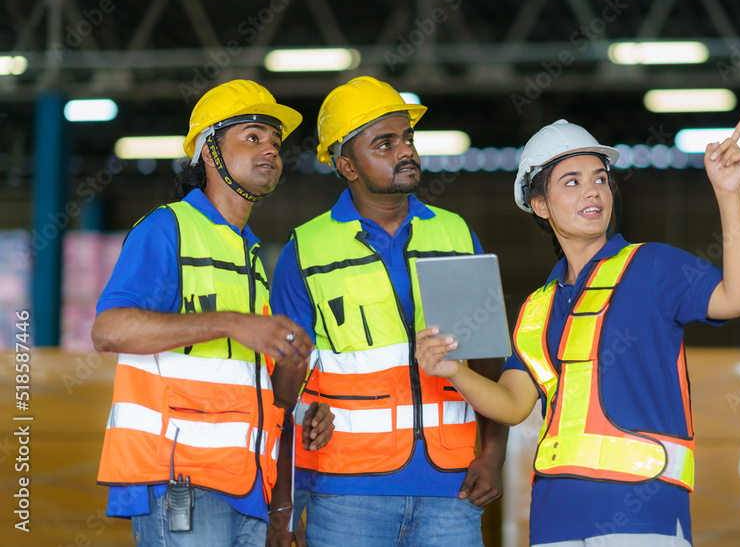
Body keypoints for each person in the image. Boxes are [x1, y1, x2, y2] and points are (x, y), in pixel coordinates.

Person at [416, 116, 740, 546]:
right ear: (539, 204)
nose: (593, 190)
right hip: (554, 518)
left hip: (646, 513)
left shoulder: (652, 266)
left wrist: (728, 195)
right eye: (572, 182)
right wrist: (453, 370)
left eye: (600, 178)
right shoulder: (536, 308)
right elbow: (511, 404)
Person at [269, 76, 509, 547]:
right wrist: (283, 503)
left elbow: (486, 361)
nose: (406, 151)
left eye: (408, 138)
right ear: (347, 166)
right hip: (344, 497)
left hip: (451, 491)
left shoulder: (455, 235)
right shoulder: (307, 250)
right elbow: (283, 389)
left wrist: (493, 454)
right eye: (384, 142)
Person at [92, 80, 334, 547]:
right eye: (252, 136)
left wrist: (295, 382)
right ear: (209, 151)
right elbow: (108, 330)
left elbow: (264, 396)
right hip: (181, 481)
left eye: (276, 143)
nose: (270, 150)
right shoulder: (168, 228)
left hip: (246, 489)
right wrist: (231, 322)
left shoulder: (249, 255)